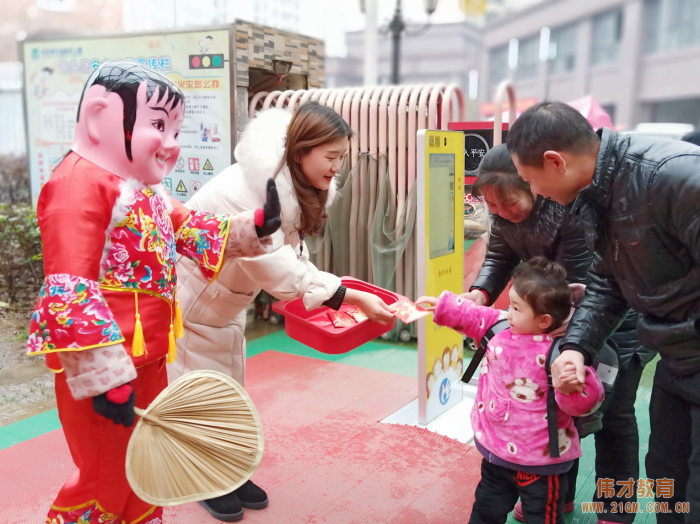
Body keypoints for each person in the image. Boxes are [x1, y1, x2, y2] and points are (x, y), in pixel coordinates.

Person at [28, 61, 281, 524]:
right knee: (103, 479)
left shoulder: (141, 189)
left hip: (146, 356)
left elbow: (188, 227)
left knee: (144, 470)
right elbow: (69, 289)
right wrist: (104, 376)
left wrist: (255, 226)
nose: (170, 143)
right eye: (158, 125)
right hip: (105, 367)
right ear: (99, 115)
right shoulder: (75, 185)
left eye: (174, 129)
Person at [168, 102, 394, 522]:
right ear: (300, 151)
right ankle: (206, 478)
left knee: (227, 390)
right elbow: (277, 267)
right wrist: (350, 297)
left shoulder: (287, 185)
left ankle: (229, 473)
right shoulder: (248, 189)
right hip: (191, 301)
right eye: (331, 157)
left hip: (222, 301)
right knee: (201, 395)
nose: (337, 168)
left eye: (341, 157)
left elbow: (292, 257)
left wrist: (336, 290)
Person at [507, 101, 700, 524]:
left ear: (555, 162)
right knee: (669, 476)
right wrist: (577, 346)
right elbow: (607, 281)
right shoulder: (597, 193)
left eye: (530, 180)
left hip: (682, 346)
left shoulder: (673, 177)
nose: (534, 193)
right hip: (675, 356)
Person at [463, 144, 655, 523]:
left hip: (611, 324)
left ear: (532, 185)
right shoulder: (504, 217)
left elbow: (590, 288)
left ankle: (616, 509)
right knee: (557, 412)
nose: (500, 213)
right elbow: (500, 257)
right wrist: (480, 293)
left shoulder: (570, 209)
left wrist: (571, 344)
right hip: (552, 324)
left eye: (507, 202)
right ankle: (557, 495)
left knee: (612, 418)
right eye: (492, 206)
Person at [418, 258, 605, 524]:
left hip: (541, 464)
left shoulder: (562, 355)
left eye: (516, 308)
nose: (508, 311)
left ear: (544, 321)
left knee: (543, 518)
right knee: (485, 511)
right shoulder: (502, 327)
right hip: (496, 454)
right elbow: (476, 316)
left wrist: (577, 383)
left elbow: (580, 403)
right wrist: (443, 306)